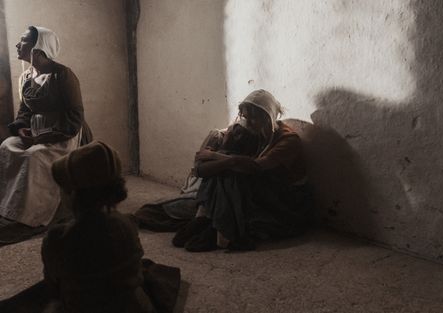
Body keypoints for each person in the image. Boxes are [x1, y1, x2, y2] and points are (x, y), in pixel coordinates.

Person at [0, 141, 181, 313]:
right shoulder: (128, 223)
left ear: (73, 194)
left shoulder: (58, 238)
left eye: (63, 188)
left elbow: (54, 289)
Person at [173, 89, 314, 252]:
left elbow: (256, 166)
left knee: (232, 174)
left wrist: (214, 156)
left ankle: (218, 228)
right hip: (262, 187)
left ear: (267, 116)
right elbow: (204, 166)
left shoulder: (288, 140)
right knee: (228, 168)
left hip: (287, 199)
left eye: (254, 118)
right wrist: (219, 149)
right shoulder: (257, 134)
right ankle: (207, 221)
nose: (250, 122)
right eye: (247, 117)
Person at [0, 26, 91, 227]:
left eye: (23, 41)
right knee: (7, 146)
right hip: (34, 133)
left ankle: (33, 213)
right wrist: (21, 128)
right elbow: (25, 110)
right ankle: (9, 208)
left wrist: (40, 138)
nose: (17, 45)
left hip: (63, 135)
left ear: (38, 48)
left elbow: (74, 118)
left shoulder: (63, 75)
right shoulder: (26, 77)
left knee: (34, 156)